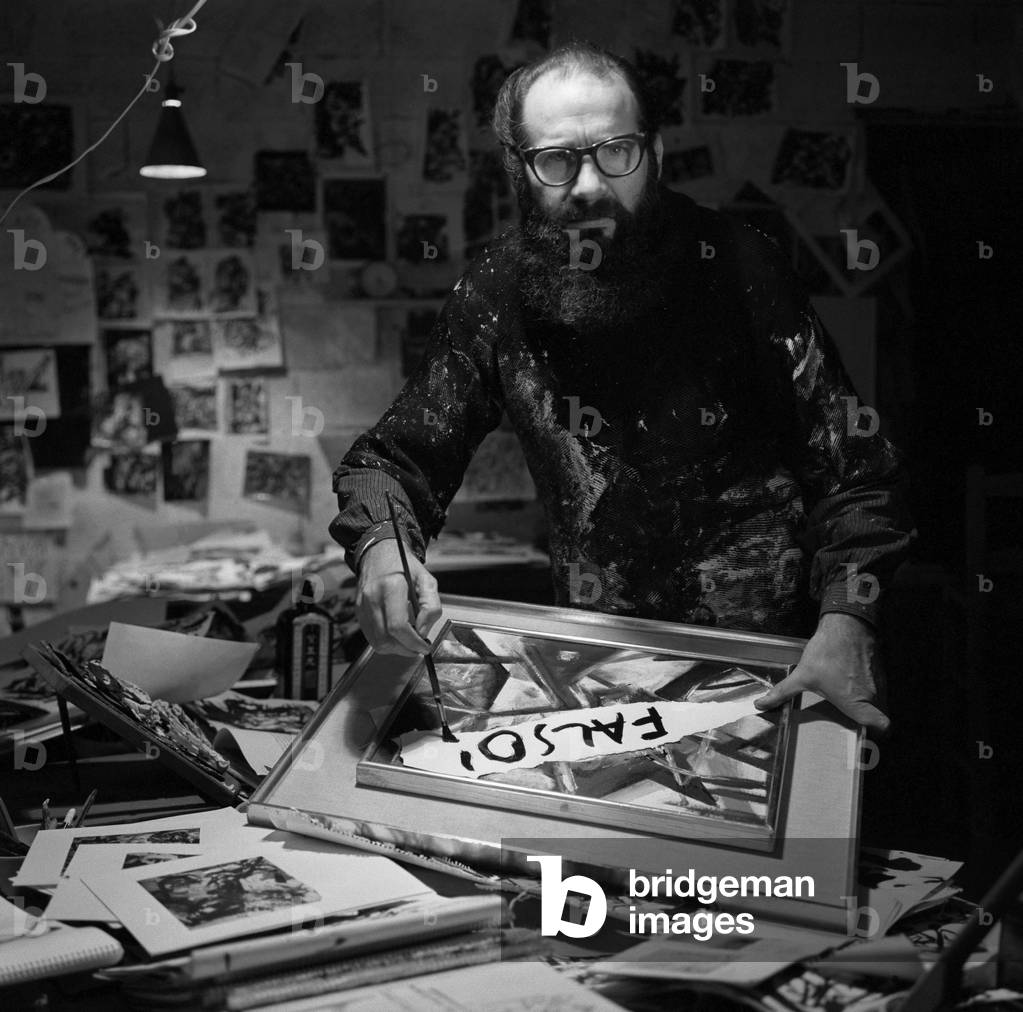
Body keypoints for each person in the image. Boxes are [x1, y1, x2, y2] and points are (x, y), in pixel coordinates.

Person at [329, 42, 916, 735]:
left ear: (655, 152)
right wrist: (382, 553)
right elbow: (390, 463)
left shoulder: (741, 267)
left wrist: (849, 619)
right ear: (518, 170)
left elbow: (858, 473)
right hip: (595, 684)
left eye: (615, 151)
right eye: (556, 159)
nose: (588, 184)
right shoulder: (496, 293)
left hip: (775, 676)